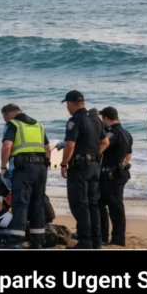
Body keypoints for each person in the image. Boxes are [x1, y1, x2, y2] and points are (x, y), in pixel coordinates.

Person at [60, 90, 109, 249]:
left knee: (79, 203)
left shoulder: (74, 121)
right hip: (95, 167)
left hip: (79, 168)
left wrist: (63, 164)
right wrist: (94, 155)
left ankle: (85, 241)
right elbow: (105, 142)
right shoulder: (96, 119)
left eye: (67, 104)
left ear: (70, 103)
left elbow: (70, 145)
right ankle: (96, 241)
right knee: (93, 203)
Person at [0, 104, 49, 248]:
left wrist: (3, 167)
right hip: (41, 169)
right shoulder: (38, 125)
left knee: (20, 204)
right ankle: (37, 241)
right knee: (37, 203)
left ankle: (16, 242)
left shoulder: (13, 124)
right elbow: (47, 148)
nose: (4, 120)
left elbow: (7, 146)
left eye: (4, 117)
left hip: (24, 169)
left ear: (9, 114)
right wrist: (44, 166)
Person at [98, 107, 132, 246]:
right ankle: (109, 237)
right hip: (120, 172)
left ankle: (113, 238)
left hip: (110, 174)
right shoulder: (126, 133)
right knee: (112, 205)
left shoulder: (111, 133)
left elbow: (102, 146)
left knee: (110, 206)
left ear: (106, 118)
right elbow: (128, 155)